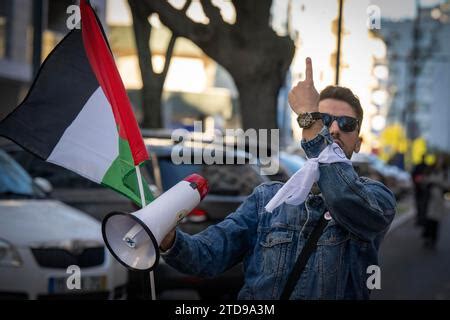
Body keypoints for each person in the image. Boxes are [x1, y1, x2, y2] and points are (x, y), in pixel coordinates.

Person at [159, 58, 396, 299]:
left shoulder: (377, 199)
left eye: (346, 124)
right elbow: (207, 256)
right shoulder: (267, 199)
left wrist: (311, 120)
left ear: (358, 143)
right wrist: (170, 241)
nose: (334, 129)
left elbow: (343, 196)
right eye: (323, 120)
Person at [421, 155, 449, 249]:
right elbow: (424, 180)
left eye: (441, 160)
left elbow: (447, 185)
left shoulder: (445, 172)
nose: (439, 162)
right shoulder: (431, 170)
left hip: (439, 199)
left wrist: (436, 182)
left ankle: (433, 239)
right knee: (428, 219)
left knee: (436, 221)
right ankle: (427, 238)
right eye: (438, 159)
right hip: (429, 198)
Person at [412, 155, 430, 226]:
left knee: (421, 205)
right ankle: (421, 220)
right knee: (421, 206)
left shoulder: (420, 166)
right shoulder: (425, 167)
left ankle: (421, 220)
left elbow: (413, 175)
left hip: (421, 189)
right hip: (420, 189)